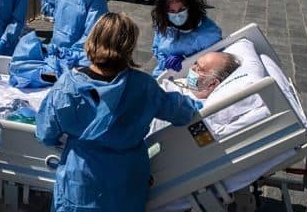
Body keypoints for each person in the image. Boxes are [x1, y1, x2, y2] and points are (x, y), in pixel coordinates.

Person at [35, 12, 202, 212]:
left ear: (93, 39)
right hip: (126, 180)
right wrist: (199, 98)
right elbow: (180, 112)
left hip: (81, 180)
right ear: (129, 47)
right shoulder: (143, 86)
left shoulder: (67, 86)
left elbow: (45, 133)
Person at [151, 0, 222, 76]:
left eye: (182, 9)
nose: (176, 15)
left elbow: (217, 63)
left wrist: (188, 61)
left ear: (191, 7)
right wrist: (165, 62)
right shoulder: (164, 24)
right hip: (161, 76)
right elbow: (157, 47)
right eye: (171, 11)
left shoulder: (208, 34)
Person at [161, 51, 241, 100]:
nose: (192, 68)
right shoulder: (185, 83)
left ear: (212, 84)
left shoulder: (197, 107)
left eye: (199, 69)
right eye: (195, 63)